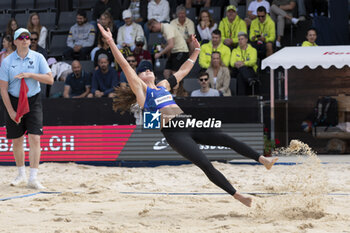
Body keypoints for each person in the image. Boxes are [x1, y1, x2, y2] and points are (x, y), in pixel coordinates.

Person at [98, 23, 278, 207]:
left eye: (149, 68)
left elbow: (183, 71)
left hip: (188, 122)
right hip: (175, 133)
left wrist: (196, 52)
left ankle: (263, 159)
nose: (147, 70)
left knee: (226, 138)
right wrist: (111, 42)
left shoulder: (163, 86)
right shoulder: (141, 90)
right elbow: (124, 64)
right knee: (205, 164)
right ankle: (239, 196)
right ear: (139, 78)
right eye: (143, 71)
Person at [0, 28, 54, 189]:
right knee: (17, 140)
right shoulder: (7, 61)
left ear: (30, 41)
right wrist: (10, 111)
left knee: (35, 138)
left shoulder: (38, 58)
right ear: (15, 41)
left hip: (33, 99)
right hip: (14, 100)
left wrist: (30, 75)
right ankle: (20, 174)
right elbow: (3, 88)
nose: (25, 39)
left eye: (27, 37)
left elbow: (50, 79)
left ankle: (33, 177)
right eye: (21, 37)